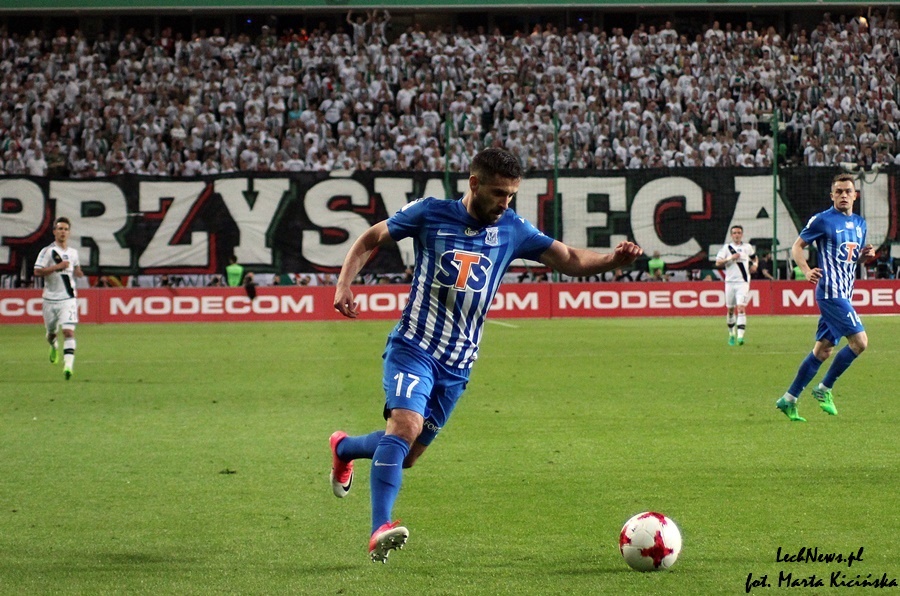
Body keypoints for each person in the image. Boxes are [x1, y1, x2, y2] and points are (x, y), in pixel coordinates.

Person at [329, 148, 643, 562]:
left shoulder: (512, 228)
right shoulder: (429, 213)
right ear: (474, 183)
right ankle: (379, 528)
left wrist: (611, 260)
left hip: (458, 365)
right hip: (414, 347)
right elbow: (371, 238)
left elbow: (567, 258)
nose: (505, 202)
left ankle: (344, 448)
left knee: (407, 455)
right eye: (498, 193)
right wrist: (344, 284)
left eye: (511, 194)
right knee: (404, 427)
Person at [775, 173, 876, 422]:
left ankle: (789, 399)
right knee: (860, 342)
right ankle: (824, 388)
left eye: (848, 191)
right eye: (838, 191)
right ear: (832, 196)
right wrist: (807, 270)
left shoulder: (860, 224)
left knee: (823, 350)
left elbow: (850, 259)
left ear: (855, 195)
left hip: (846, 292)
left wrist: (863, 257)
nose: (843, 195)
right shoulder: (822, 220)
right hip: (830, 292)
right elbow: (797, 247)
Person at [33, 217, 84, 380]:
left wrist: (78, 272)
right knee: (51, 334)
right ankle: (53, 345)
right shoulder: (47, 251)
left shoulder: (73, 253)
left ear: (69, 233)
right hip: (50, 299)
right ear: (54, 231)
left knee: (68, 332)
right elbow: (37, 271)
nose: (63, 232)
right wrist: (57, 267)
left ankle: (68, 366)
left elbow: (76, 267)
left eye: (66, 229)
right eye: (60, 229)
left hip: (68, 298)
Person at [714, 225, 757, 345]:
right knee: (730, 310)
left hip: (743, 282)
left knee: (741, 308)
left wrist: (755, 265)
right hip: (730, 283)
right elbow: (718, 262)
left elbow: (754, 258)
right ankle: (731, 333)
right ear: (731, 235)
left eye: (739, 233)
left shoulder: (747, 247)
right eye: (734, 233)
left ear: (742, 234)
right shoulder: (726, 248)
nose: (737, 235)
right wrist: (730, 258)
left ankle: (740, 337)